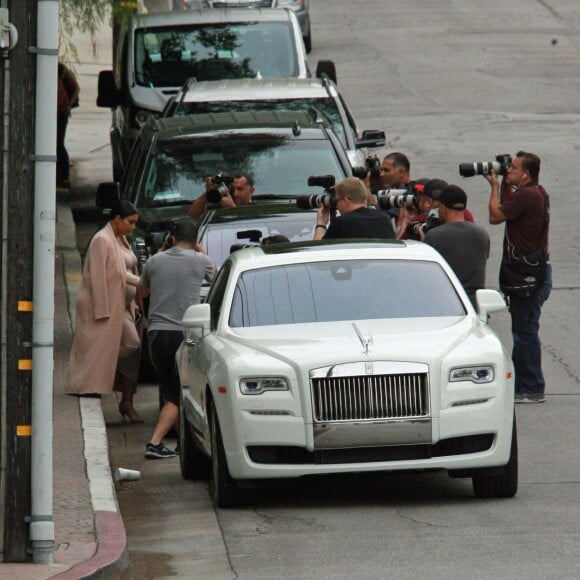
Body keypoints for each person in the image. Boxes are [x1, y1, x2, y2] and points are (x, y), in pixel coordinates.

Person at [139, 219, 216, 459]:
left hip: (156, 335)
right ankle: (155, 442)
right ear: (195, 241)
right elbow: (216, 276)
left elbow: (142, 292)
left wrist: (163, 250)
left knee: (168, 387)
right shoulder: (200, 260)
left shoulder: (154, 261)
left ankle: (181, 443)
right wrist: (199, 249)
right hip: (183, 334)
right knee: (178, 392)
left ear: (171, 239)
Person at [65, 199, 143, 423]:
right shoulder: (102, 240)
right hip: (105, 305)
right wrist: (102, 309)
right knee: (115, 346)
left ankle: (119, 389)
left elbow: (122, 271)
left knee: (132, 343)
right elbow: (98, 276)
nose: (133, 227)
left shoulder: (120, 238)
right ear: (117, 219)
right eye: (130, 222)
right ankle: (98, 373)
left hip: (122, 305)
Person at [485, 151, 551, 404]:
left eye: (512, 168)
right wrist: (503, 184)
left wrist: (493, 187)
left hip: (527, 276)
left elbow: (496, 216)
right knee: (523, 331)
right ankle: (524, 386)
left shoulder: (526, 195)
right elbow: (509, 210)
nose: (507, 170)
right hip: (534, 273)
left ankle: (533, 388)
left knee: (524, 333)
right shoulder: (537, 192)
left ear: (526, 173)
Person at [423, 184, 490, 306]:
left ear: (443, 208)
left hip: (447, 305)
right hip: (475, 305)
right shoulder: (482, 234)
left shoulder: (434, 236)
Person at [313, 177, 396, 240]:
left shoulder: (341, 224)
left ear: (346, 201)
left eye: (337, 201)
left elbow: (317, 251)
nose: (337, 206)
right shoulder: (384, 219)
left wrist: (321, 222)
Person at [397, 178, 476, 240]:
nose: (417, 203)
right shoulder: (465, 214)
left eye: (420, 200)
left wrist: (405, 220)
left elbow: (399, 250)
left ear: (428, 202)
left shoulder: (422, 219)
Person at [188, 171, 255, 219]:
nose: (235, 194)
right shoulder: (217, 206)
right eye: (233, 189)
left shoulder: (260, 208)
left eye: (240, 189)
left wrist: (232, 209)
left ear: (251, 191)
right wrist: (208, 192)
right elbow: (193, 215)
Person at [57, 62, 80, 188]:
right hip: (51, 113)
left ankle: (65, 176)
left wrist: (69, 104)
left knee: (59, 144)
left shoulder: (61, 69)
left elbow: (76, 88)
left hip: (61, 113)